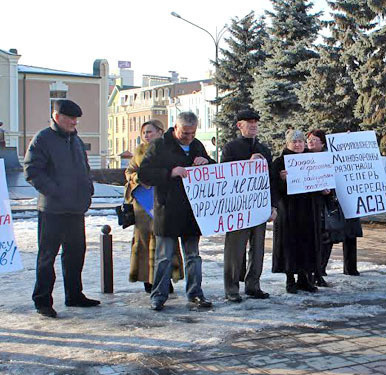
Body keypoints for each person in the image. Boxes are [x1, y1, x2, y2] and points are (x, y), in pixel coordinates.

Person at [24, 99, 100, 318]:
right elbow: (32, 170)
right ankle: (42, 300)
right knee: (47, 256)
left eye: (76, 119)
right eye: (71, 118)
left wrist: (88, 189)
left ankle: (74, 294)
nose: (75, 122)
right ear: (57, 117)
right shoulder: (43, 139)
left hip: (75, 208)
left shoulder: (75, 140)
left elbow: (84, 169)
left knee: (76, 254)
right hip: (53, 209)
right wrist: (55, 191)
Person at [138, 111, 215, 311]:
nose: (189, 137)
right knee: (164, 257)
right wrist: (170, 173)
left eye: (192, 133)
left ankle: (195, 293)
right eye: (185, 133)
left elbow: (213, 169)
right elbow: (144, 174)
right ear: (175, 127)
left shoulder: (197, 145)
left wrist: (206, 162)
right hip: (168, 208)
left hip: (192, 210)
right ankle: (158, 296)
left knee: (193, 256)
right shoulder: (159, 145)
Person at [220, 110, 277, 303]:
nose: (253, 125)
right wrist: (247, 163)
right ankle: (232, 288)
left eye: (255, 122)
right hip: (237, 208)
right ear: (239, 125)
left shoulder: (264, 149)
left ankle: (253, 285)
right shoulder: (230, 148)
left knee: (258, 248)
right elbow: (225, 175)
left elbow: (272, 181)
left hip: (259, 207)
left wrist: (273, 206)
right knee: (235, 250)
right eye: (249, 122)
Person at [124, 120, 183, 293]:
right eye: (144, 133)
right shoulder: (139, 151)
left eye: (150, 132)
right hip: (143, 204)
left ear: (160, 132)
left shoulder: (168, 149)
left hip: (165, 200)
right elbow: (129, 172)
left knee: (164, 240)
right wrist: (139, 179)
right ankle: (147, 280)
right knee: (143, 241)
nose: (146, 135)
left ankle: (166, 278)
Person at [306, 129, 362, 279]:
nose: (310, 142)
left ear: (323, 142)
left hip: (339, 200)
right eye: (309, 140)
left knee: (348, 233)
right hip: (322, 204)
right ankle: (320, 269)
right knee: (327, 236)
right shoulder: (304, 157)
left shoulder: (332, 156)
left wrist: (347, 139)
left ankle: (350, 268)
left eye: (314, 139)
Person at [271, 130, 322, 293]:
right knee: (289, 244)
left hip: (308, 209)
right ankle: (290, 280)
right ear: (287, 144)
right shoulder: (279, 162)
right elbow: (273, 187)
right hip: (288, 211)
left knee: (306, 243)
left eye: (300, 141)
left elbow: (320, 180)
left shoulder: (312, 159)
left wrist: (325, 188)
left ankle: (304, 279)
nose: (298, 144)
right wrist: (282, 179)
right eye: (294, 142)